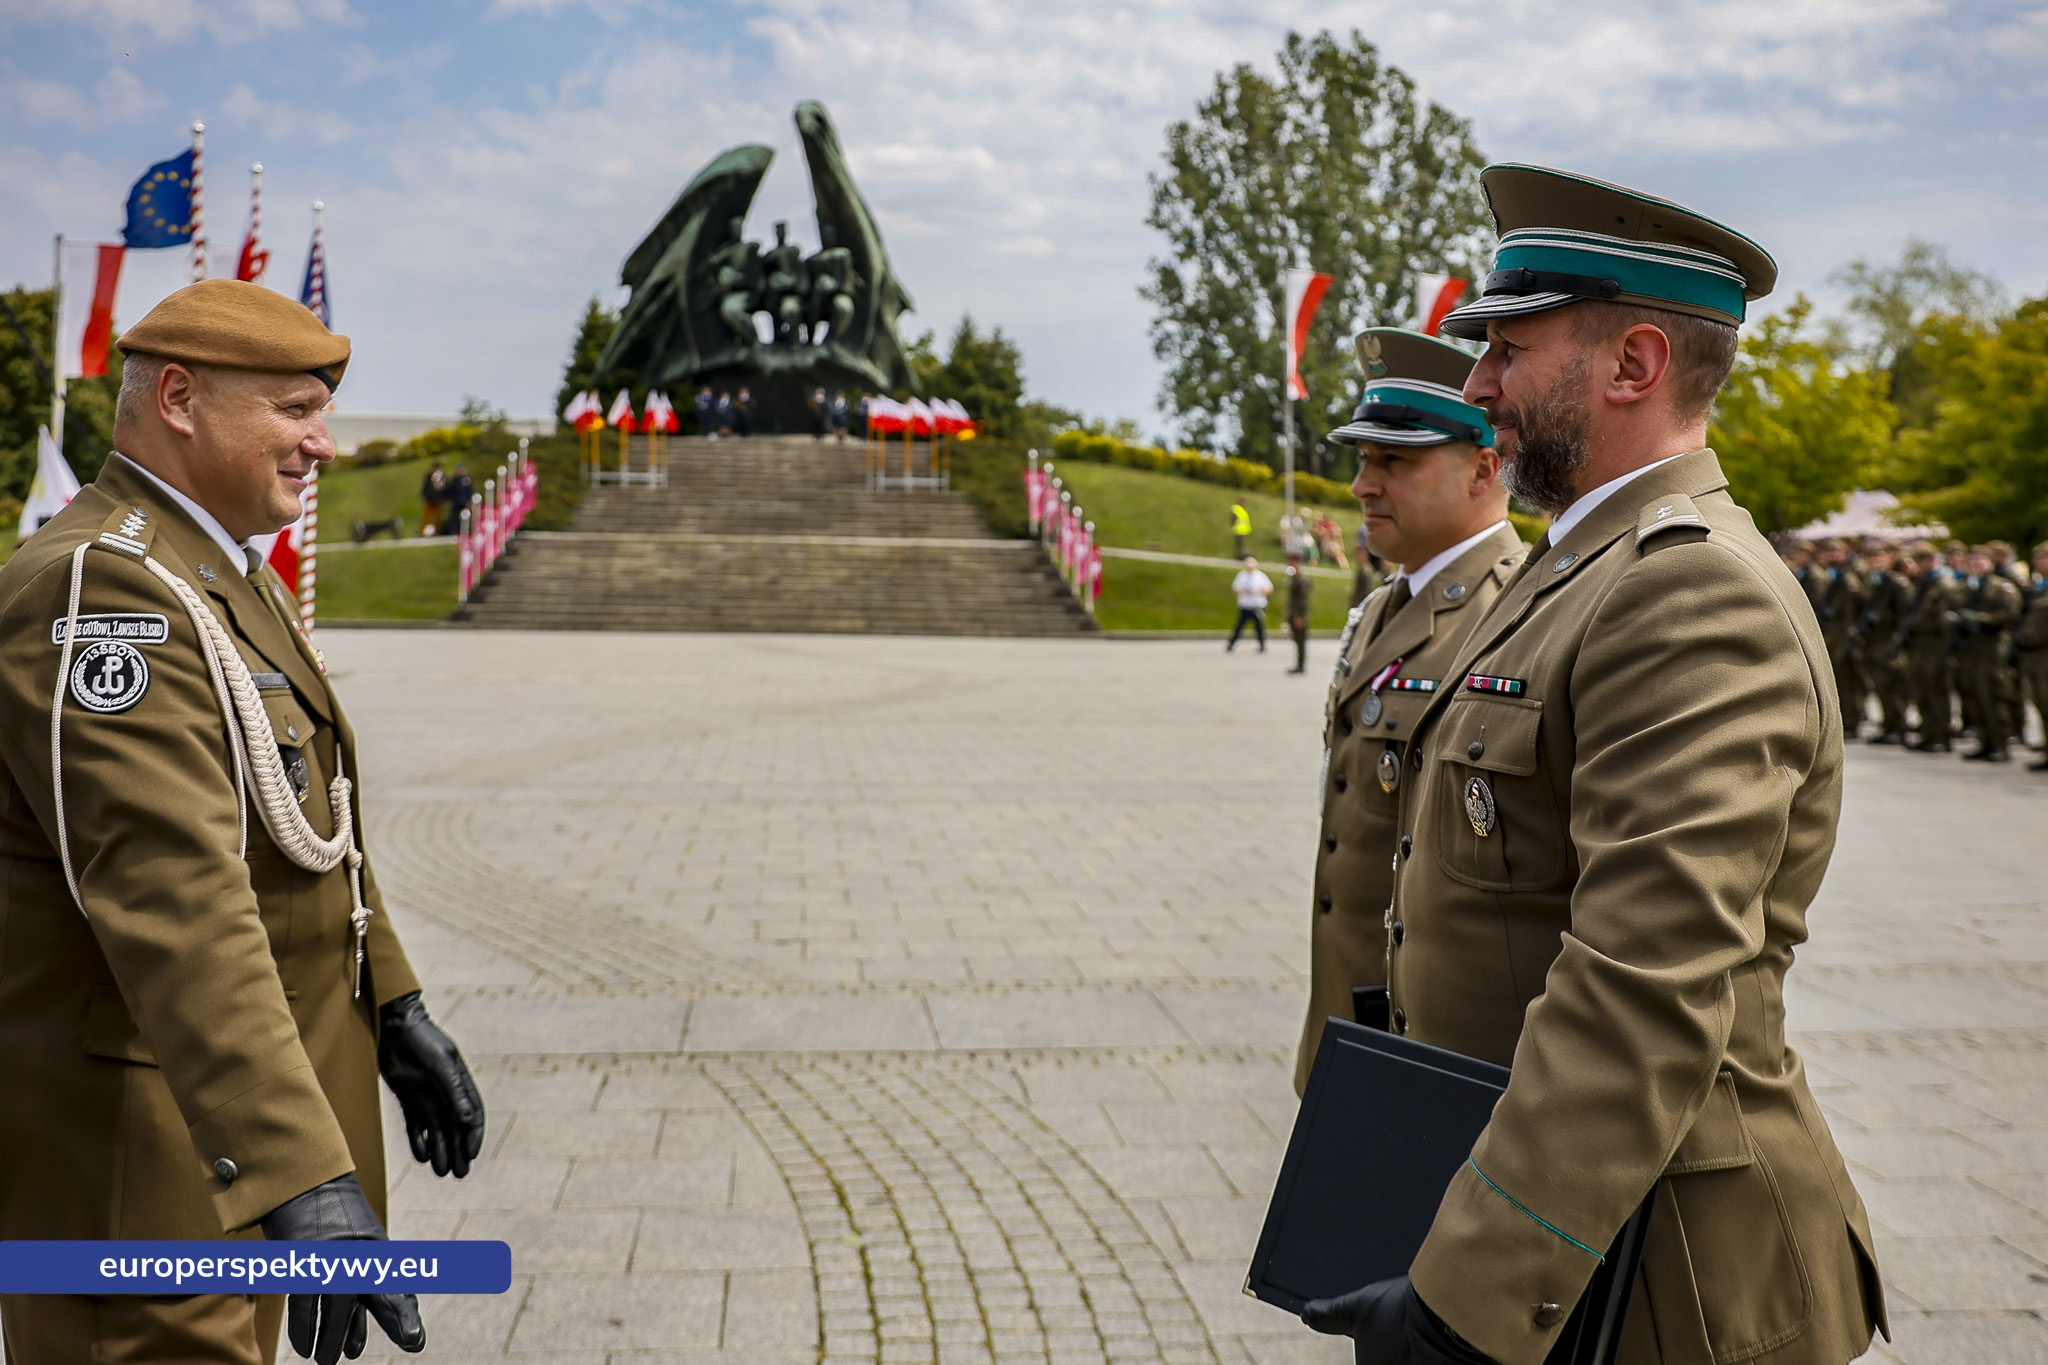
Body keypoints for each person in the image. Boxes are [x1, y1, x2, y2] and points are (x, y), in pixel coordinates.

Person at [1300, 165, 1883, 1365]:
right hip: (1571, 1236)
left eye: (1505, 350)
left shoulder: (1683, 588)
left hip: (1653, 1274)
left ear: (1631, 366)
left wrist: (1468, 1300)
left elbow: (1642, 983)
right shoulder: (1584, 572)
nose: (1475, 387)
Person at [0, 280, 485, 1365]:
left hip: (215, 1141)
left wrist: (393, 1004)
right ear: (179, 397)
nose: (322, 444)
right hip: (144, 1161)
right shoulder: (103, 593)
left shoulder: (211, 573)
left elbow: (310, 822)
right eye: (293, 410)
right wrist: (298, 1171)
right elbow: (174, 892)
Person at [1292, 326, 1523, 1095]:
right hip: (1352, 1032)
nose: (1363, 485)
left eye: (1396, 460)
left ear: (1484, 468)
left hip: (1436, 1058)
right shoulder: (1383, 608)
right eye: (1363, 460)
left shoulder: (1514, 614)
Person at [1950, 545, 2023, 762]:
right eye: (1972, 562)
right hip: (1972, 651)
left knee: (1995, 697)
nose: (1975, 566)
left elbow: (2011, 614)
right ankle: (1984, 741)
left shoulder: (2001, 587)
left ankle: (2000, 744)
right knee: (1975, 697)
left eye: (1980, 562)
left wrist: (1980, 618)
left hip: (1994, 649)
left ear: (1991, 564)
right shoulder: (1966, 588)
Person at [1900, 540, 1960, 751]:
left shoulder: (1944, 584)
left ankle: (1941, 735)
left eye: (1922, 560)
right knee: (1921, 689)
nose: (1918, 565)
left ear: (1932, 560)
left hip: (1936, 643)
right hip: (1920, 644)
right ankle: (1928, 732)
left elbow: (1945, 620)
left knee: (1937, 691)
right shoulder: (1921, 583)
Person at [1854, 542, 1915, 745]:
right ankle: (1889, 724)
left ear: (1890, 559)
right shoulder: (1871, 582)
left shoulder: (1897, 583)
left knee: (1894, 685)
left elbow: (1906, 614)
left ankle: (1899, 726)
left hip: (1890, 640)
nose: (1876, 561)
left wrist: (1900, 639)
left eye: (1880, 557)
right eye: (1872, 558)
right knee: (1880, 686)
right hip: (1875, 642)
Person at [1816, 538, 1868, 736]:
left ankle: (1853, 720)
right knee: (1840, 679)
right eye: (1829, 551)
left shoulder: (1848, 579)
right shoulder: (1834, 577)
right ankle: (1845, 719)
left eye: (1836, 551)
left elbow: (1855, 609)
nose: (1832, 555)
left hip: (1846, 636)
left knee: (1849, 680)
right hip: (1835, 636)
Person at [2018, 541, 2048, 771]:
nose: (2038, 562)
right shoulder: (2038, 587)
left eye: (2043, 557)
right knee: (2040, 702)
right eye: (2037, 557)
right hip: (2034, 654)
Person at [1226, 556, 1272, 652]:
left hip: (1257, 605)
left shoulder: (1261, 576)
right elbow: (1235, 588)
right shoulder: (1241, 576)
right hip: (1245, 605)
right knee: (1239, 626)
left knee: (1259, 627)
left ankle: (1262, 645)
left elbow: (1269, 589)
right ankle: (1231, 644)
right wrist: (1243, 591)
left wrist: (1258, 591)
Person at [1284, 551, 1313, 674]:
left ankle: (1301, 665)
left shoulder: (1302, 579)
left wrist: (1300, 616)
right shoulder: (1294, 577)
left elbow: (1303, 601)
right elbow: (1292, 598)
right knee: (1296, 639)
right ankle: (1298, 663)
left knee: (1300, 640)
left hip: (1299, 614)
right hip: (1294, 613)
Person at [441, 462, 474, 537]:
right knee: (455, 518)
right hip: (456, 502)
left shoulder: (468, 479)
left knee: (466, 517)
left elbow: (470, 491)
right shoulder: (455, 479)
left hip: (465, 501)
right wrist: (450, 500)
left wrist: (469, 500)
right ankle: (454, 532)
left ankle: (466, 532)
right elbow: (451, 491)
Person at [417, 460, 447, 538]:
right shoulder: (429, 476)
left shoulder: (442, 477)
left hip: (439, 500)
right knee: (426, 518)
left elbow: (445, 488)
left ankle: (437, 533)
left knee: (438, 518)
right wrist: (424, 496)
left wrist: (443, 498)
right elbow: (425, 487)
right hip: (429, 500)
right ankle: (421, 533)